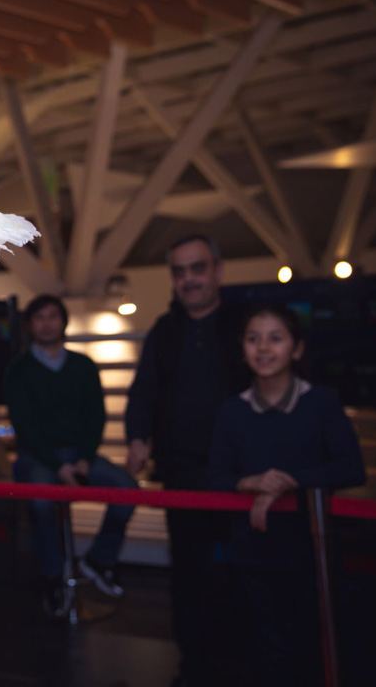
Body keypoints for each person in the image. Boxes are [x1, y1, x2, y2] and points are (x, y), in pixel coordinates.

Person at [209, 305, 365, 687]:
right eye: (253, 338)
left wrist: (288, 481)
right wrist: (250, 482)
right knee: (260, 648)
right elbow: (214, 477)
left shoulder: (322, 403)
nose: (263, 348)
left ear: (296, 349)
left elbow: (351, 468)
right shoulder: (232, 410)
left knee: (315, 648)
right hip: (251, 550)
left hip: (312, 548)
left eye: (275, 338)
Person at [124, 234, 246, 686]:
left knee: (243, 569)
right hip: (182, 472)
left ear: (217, 270)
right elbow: (144, 391)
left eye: (197, 268)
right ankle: (193, 661)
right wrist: (137, 438)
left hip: (241, 475)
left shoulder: (243, 325)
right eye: (180, 271)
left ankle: (243, 657)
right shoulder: (164, 331)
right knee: (190, 572)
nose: (189, 279)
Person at [5, 295, 136, 607]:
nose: (47, 323)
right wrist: (58, 465)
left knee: (128, 489)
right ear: (29, 325)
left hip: (80, 455)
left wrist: (85, 459)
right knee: (40, 502)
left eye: (53, 316)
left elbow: (96, 416)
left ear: (63, 321)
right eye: (40, 317)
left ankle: (99, 561)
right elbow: (24, 426)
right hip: (37, 458)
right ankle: (52, 578)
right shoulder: (18, 370)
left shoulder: (83, 366)